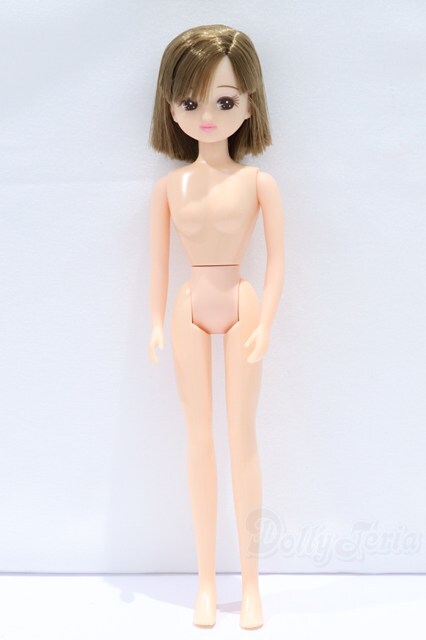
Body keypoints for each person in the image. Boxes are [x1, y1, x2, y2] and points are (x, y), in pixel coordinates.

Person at [148, 24, 285, 629]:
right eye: (190, 102)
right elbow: (158, 264)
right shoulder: (169, 188)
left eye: (224, 102)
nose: (206, 116)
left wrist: (267, 321)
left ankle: (250, 585)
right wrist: (155, 322)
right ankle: (206, 582)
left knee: (242, 437)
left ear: (250, 104)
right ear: (171, 108)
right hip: (187, 309)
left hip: (242, 304)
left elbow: (277, 260)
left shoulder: (259, 184)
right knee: (199, 440)